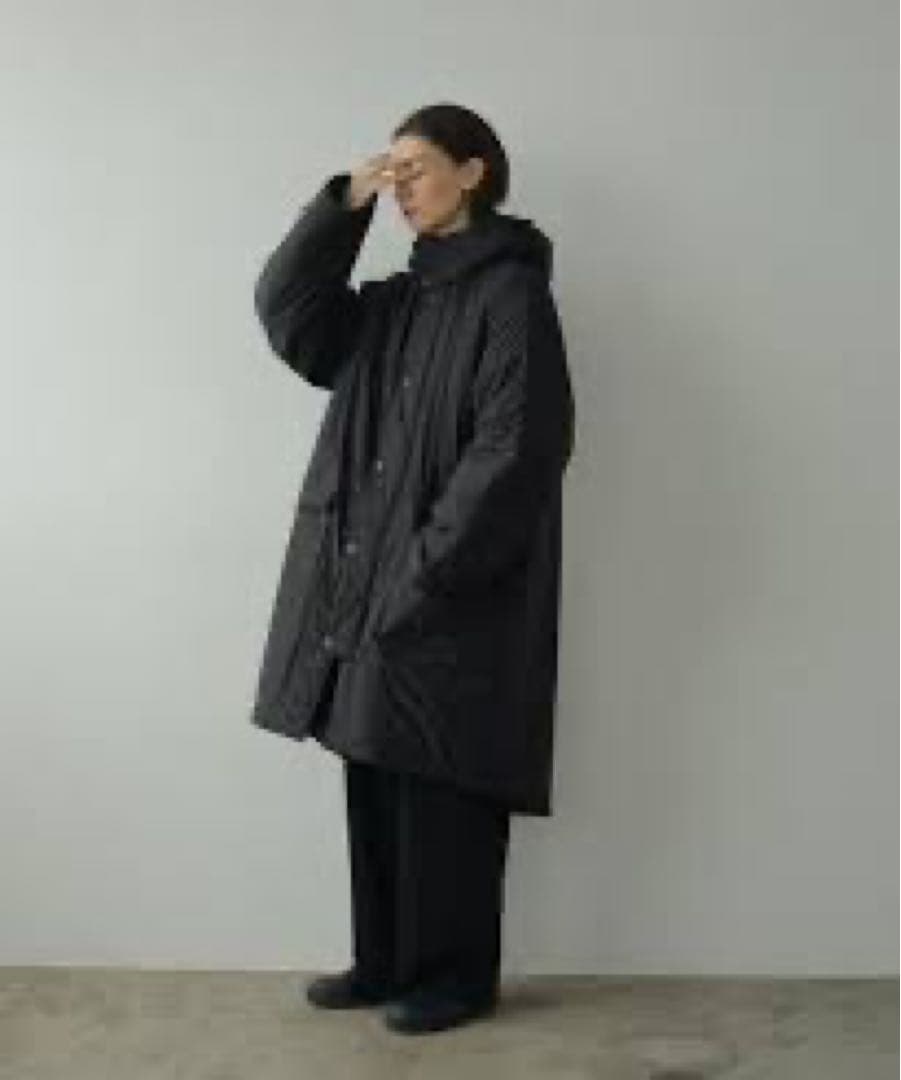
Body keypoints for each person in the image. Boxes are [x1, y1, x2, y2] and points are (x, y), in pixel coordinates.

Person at [251, 102, 575, 1034]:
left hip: (456, 589)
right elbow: (287, 313)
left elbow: (519, 447)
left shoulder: (511, 298)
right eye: (390, 171)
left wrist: (427, 568)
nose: (401, 187)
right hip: (367, 583)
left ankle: (456, 977)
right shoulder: (391, 307)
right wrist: (342, 204)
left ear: (473, 171)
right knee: (373, 765)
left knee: (447, 780)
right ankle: (384, 960)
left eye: (416, 167)